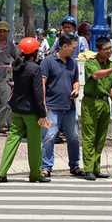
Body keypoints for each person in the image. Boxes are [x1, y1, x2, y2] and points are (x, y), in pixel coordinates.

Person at [0, 38, 51, 183]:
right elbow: (38, 93)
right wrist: (42, 113)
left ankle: (2, 171)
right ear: (35, 52)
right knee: (34, 144)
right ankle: (35, 174)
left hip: (16, 109)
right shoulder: (35, 69)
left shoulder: (17, 65)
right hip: (31, 112)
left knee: (12, 140)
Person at [81, 36, 112, 181]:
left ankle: (96, 168)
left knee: (100, 137)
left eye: (110, 48)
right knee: (89, 136)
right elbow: (95, 75)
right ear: (98, 50)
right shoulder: (92, 62)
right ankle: (88, 169)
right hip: (91, 102)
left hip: (105, 103)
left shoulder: (110, 64)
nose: (109, 51)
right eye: (106, 49)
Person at [41, 34, 83, 179]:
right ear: (64, 46)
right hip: (52, 106)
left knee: (74, 137)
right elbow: (43, 84)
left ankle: (75, 165)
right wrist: (43, 103)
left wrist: (76, 89)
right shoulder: (48, 62)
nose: (74, 51)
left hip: (69, 107)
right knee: (49, 136)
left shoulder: (73, 63)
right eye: (73, 48)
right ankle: (46, 167)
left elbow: (76, 80)